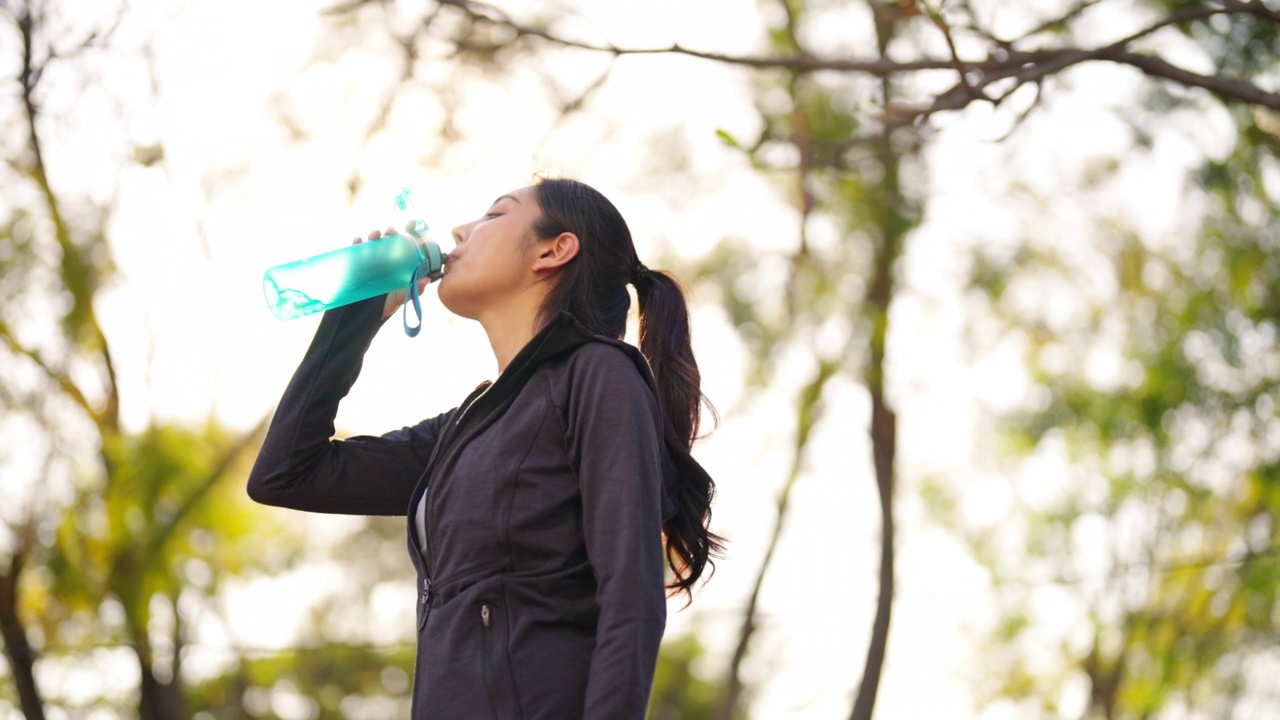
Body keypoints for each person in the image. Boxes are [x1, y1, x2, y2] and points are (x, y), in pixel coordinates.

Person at [246, 177, 724, 719]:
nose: (459, 230)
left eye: (495, 214)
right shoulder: (464, 428)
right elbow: (286, 473)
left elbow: (630, 597)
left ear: (554, 250)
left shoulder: (598, 373)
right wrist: (353, 316)